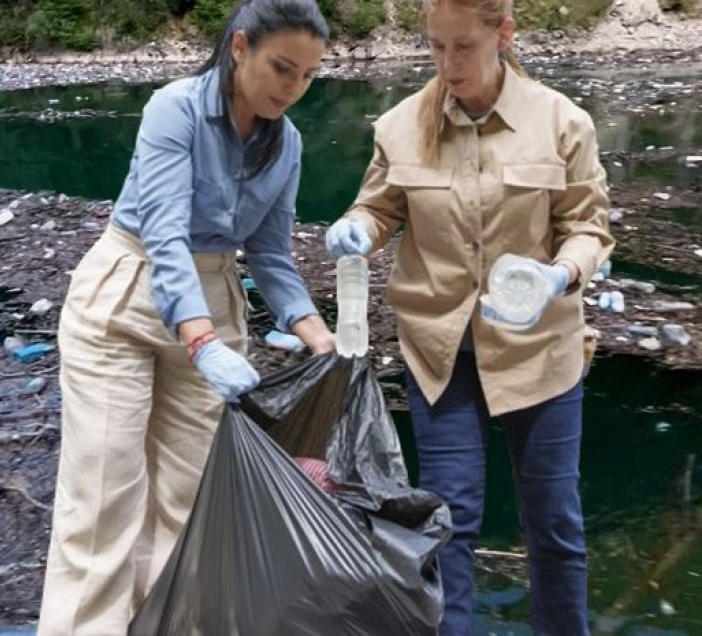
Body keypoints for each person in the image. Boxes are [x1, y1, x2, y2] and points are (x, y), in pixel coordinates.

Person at [38, 0, 334, 631]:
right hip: (127, 295)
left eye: (308, 76)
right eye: (282, 67)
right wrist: (201, 343)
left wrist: (319, 338)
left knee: (193, 502)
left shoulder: (288, 145)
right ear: (240, 47)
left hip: (214, 300)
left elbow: (271, 253)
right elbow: (166, 235)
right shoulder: (174, 108)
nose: (293, 88)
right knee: (102, 503)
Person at [325, 0, 614, 633]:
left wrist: (558, 276)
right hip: (438, 355)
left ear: (503, 34)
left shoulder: (562, 122)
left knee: (555, 524)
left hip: (541, 353)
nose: (447, 64)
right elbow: (377, 209)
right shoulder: (400, 126)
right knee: (446, 525)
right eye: (435, 47)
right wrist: (355, 229)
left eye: (463, 47)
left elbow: (588, 229)